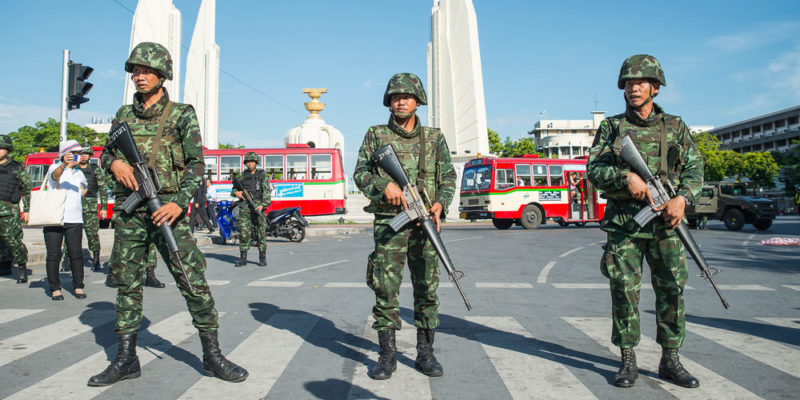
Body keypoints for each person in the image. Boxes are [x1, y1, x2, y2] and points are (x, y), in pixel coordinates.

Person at [89, 42, 247, 387]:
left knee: (192, 281)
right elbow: (103, 156)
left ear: (163, 75)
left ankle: (212, 356)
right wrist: (114, 162)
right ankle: (126, 358)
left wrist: (178, 202)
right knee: (127, 286)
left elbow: (196, 164)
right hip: (131, 214)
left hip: (168, 213)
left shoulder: (180, 114)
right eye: (135, 71)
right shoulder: (123, 116)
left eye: (147, 71)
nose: (139, 76)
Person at [587, 54, 703, 389]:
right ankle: (627, 359)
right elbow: (594, 170)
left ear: (655, 87)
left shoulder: (676, 127)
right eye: (627, 83)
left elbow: (695, 170)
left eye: (640, 82)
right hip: (626, 225)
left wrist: (682, 198)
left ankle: (670, 359)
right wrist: (626, 179)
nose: (633, 88)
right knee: (624, 292)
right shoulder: (612, 127)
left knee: (672, 291)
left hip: (666, 225)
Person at [353, 73, 456, 380]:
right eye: (396, 97)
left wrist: (441, 203)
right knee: (386, 290)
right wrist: (383, 185)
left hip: (425, 224)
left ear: (417, 101)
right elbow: (360, 172)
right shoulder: (376, 135)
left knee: (427, 288)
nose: (401, 101)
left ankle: (425, 352)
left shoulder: (434, 138)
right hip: (390, 224)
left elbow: (448, 177)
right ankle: (387, 355)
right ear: (389, 101)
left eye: (407, 97)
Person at [45, 140, 89, 300]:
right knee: (54, 254)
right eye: (76, 153)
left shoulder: (79, 173)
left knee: (76, 254)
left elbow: (84, 189)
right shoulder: (55, 167)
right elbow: (54, 176)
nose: (80, 155)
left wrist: (82, 190)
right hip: (55, 218)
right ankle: (55, 288)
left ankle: (78, 286)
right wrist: (64, 165)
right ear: (67, 154)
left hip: (75, 219)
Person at [0, 134, 31, 283]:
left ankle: (21, 266)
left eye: (1, 148)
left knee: (12, 240)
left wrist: (26, 210)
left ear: (8, 150)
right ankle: (4, 265)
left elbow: (26, 188)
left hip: (9, 210)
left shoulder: (16, 167)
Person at [231, 152, 269, 267]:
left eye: (252, 162)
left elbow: (266, 192)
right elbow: (233, 191)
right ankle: (243, 259)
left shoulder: (262, 175)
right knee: (244, 233)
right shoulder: (241, 176)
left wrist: (263, 205)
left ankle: (262, 258)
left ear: (256, 163)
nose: (250, 164)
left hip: (258, 207)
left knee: (260, 233)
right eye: (248, 162)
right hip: (245, 208)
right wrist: (236, 193)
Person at [76, 146, 110, 271]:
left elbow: (103, 189)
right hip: (74, 206)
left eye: (86, 154)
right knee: (72, 234)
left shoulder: (95, 170)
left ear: (90, 156)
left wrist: (104, 207)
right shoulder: (73, 169)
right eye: (81, 154)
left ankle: (96, 259)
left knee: (92, 234)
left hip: (90, 205)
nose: (84, 156)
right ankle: (68, 261)